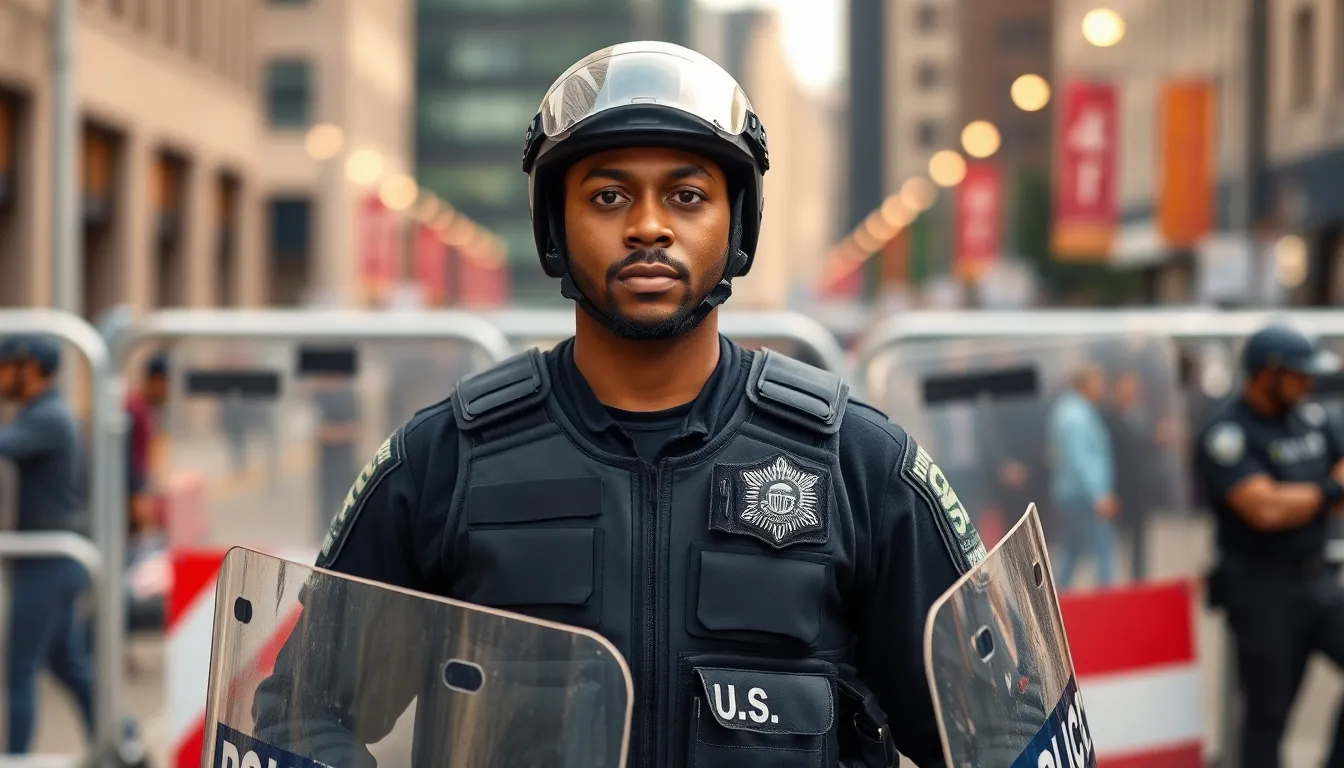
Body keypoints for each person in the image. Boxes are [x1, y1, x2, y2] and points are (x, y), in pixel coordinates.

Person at [254, 41, 989, 767]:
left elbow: (1001, 731)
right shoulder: (445, 459)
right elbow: (300, 717)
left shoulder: (857, 464)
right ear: (553, 227)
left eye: (687, 195)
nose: (647, 226)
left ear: (738, 227)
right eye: (608, 196)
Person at [1195, 324, 1344, 768]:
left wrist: (1303, 497)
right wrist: (1328, 493)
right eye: (1299, 375)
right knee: (1267, 719)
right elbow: (1264, 509)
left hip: (1318, 580)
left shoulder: (1311, 417)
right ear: (1268, 373)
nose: (1308, 383)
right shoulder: (1227, 432)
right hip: (1262, 592)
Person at [0, 335, 96, 752]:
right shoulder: (41, 412)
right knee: (67, 663)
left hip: (49, 562)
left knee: (18, 669)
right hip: (53, 558)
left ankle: (15, 760)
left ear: (31, 368)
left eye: (6, 365)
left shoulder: (47, 417)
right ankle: (122, 737)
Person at [1046, 364, 1118, 589]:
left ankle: (1058, 598)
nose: (1101, 387)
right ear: (1084, 384)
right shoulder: (1073, 415)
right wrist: (1098, 495)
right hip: (1083, 496)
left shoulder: (1075, 409)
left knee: (1072, 550)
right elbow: (1080, 459)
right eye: (1097, 382)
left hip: (1076, 494)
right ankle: (1106, 602)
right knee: (1103, 549)